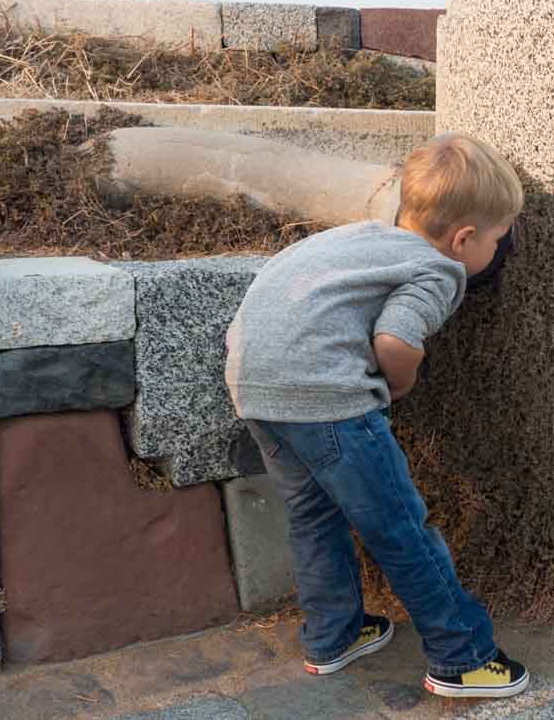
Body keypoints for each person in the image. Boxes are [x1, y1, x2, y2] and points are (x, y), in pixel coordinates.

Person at [224, 133, 530, 699]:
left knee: (312, 517)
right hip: (327, 399)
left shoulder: (361, 238)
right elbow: (395, 339)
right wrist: (398, 385)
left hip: (254, 387)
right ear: (464, 239)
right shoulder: (440, 270)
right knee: (400, 528)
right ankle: (462, 656)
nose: (497, 249)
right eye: (497, 238)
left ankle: (333, 636)